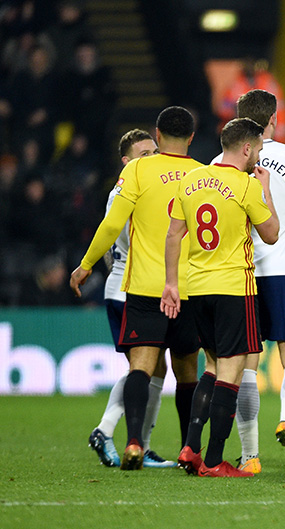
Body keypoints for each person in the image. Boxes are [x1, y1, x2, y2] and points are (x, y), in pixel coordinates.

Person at [70, 107, 203, 470]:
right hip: (189, 287)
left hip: (145, 286)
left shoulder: (137, 171)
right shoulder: (203, 174)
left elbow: (112, 223)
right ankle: (190, 450)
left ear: (158, 135)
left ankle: (133, 443)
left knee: (141, 367)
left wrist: (86, 264)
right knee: (187, 372)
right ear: (191, 138)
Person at [211, 89, 285, 474]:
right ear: (274, 120)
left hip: (240, 274)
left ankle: (249, 456)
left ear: (237, 120)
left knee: (245, 366)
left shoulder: (220, 162)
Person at [165, 117, 279, 478]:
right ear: (246, 148)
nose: (258, 156)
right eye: (257, 149)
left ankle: (190, 447)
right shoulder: (246, 185)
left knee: (212, 367)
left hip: (197, 287)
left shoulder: (190, 180)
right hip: (233, 287)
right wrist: (266, 190)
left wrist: (171, 283)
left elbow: (173, 234)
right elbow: (271, 234)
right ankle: (214, 461)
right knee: (231, 372)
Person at [87, 129, 181, 469]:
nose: (152, 158)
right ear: (126, 162)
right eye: (144, 154)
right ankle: (105, 429)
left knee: (156, 367)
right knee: (142, 367)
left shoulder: (130, 189)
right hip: (132, 289)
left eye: (154, 152)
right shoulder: (130, 191)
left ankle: (142, 444)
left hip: (127, 285)